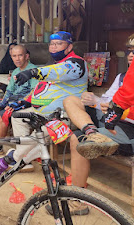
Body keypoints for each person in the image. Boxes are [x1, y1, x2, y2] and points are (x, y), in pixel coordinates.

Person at [62, 35, 134, 211]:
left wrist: (113, 109)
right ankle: (92, 132)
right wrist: (95, 100)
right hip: (111, 119)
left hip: (129, 129)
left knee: (77, 140)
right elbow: (110, 101)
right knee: (72, 100)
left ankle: (76, 201)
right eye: (130, 51)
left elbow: (121, 103)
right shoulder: (122, 76)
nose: (131, 55)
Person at [6, 31, 88, 174]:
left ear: (69, 47)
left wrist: (32, 72)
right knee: (17, 116)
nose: (54, 47)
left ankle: (17, 157)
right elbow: (41, 87)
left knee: (41, 133)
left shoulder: (77, 63)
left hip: (63, 117)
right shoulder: (52, 63)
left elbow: (59, 71)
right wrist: (25, 102)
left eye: (59, 44)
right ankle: (23, 159)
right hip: (41, 112)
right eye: (52, 44)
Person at [0, 45, 38, 160]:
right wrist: (3, 103)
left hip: (28, 103)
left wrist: (19, 103)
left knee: (4, 114)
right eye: (14, 56)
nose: (17, 59)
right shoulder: (15, 71)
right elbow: (9, 91)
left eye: (20, 55)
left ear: (26, 56)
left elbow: (34, 92)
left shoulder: (33, 70)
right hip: (15, 101)